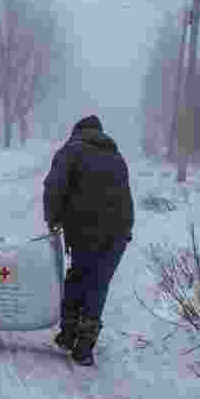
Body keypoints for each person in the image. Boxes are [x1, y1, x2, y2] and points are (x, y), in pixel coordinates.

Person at [43, 115, 134, 366]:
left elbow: (54, 187)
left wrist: (53, 218)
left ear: (77, 132)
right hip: (119, 231)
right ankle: (83, 344)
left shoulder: (71, 150)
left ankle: (70, 333)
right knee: (98, 282)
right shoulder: (116, 156)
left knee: (79, 276)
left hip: (85, 229)